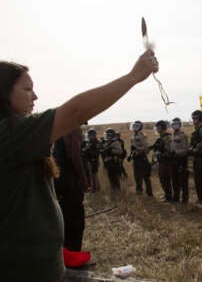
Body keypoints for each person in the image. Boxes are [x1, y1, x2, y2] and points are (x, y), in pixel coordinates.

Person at [0, 51, 158, 281]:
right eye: (26, 89)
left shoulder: (16, 135)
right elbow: (76, 111)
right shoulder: (10, 134)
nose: (35, 96)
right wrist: (133, 77)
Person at [53, 126, 87, 252]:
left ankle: (66, 257)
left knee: (65, 220)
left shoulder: (59, 130)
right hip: (70, 181)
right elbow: (75, 157)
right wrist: (83, 178)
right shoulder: (74, 129)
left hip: (59, 180)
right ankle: (74, 259)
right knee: (76, 222)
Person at [127, 120, 153, 196]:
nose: (135, 128)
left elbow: (146, 148)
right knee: (137, 177)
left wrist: (137, 148)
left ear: (140, 127)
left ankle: (149, 193)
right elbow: (133, 149)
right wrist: (130, 155)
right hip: (136, 159)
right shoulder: (132, 137)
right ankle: (139, 192)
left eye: (137, 126)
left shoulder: (142, 136)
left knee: (145, 177)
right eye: (134, 126)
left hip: (142, 158)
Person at [152, 120, 173, 202]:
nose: (156, 129)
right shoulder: (161, 137)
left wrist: (162, 152)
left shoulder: (167, 137)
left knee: (165, 178)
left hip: (167, 161)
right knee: (162, 178)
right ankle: (167, 195)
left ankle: (169, 196)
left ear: (161, 127)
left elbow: (169, 150)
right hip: (161, 161)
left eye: (158, 127)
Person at [170, 118, 190, 203]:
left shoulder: (183, 135)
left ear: (180, 125)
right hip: (174, 160)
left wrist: (176, 153)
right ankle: (176, 197)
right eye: (173, 124)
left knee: (183, 180)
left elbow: (186, 149)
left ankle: (185, 198)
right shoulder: (172, 135)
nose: (175, 126)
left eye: (177, 124)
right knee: (174, 179)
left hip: (181, 160)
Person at [81, 128, 101, 192]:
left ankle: (96, 189)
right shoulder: (89, 142)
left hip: (94, 160)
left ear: (94, 135)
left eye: (91, 135)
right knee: (90, 175)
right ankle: (93, 188)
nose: (89, 137)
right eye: (89, 135)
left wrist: (87, 150)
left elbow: (96, 152)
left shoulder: (96, 142)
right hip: (89, 160)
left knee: (94, 175)